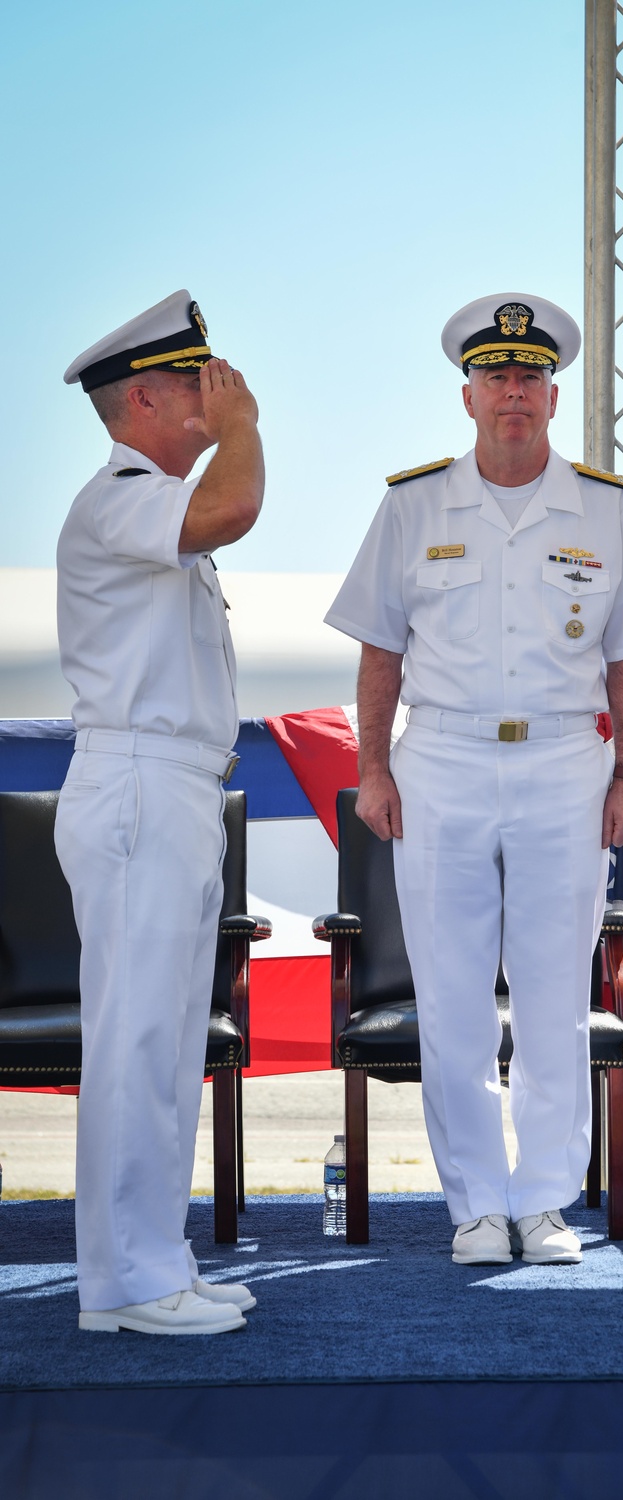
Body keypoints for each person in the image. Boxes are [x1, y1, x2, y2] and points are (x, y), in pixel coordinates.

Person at [325, 294, 623, 1265]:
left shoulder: (609, 509)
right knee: (448, 997)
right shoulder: (411, 505)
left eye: (529, 377)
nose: (512, 393)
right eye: (496, 377)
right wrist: (371, 770)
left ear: (554, 395)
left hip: (565, 764)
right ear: (467, 394)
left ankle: (543, 1202)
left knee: (552, 995)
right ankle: (476, 1207)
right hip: (438, 758)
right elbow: (377, 653)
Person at [57, 290, 265, 1334]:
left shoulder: (146, 500)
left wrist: (227, 429)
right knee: (137, 1037)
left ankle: (156, 1259)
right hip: (140, 779)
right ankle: (126, 1283)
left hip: (174, 782)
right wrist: (247, 430)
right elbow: (231, 506)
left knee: (170, 1038)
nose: (215, 393)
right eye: (196, 379)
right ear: (144, 396)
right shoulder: (123, 493)